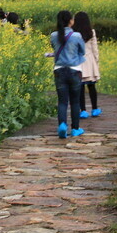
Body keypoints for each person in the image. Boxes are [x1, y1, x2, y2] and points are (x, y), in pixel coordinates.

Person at [46, 10, 86, 139]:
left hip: (59, 70)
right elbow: (83, 51)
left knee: (62, 101)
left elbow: (55, 48)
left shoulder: (53, 35)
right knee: (75, 102)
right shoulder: (77, 36)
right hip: (74, 70)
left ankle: (62, 125)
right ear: (70, 21)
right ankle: (75, 129)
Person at [73, 11, 101, 119]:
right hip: (89, 61)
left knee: (80, 87)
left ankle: (83, 110)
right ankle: (95, 109)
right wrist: (96, 62)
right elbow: (95, 49)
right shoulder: (91, 32)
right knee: (92, 86)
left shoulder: (74, 33)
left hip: (78, 61)